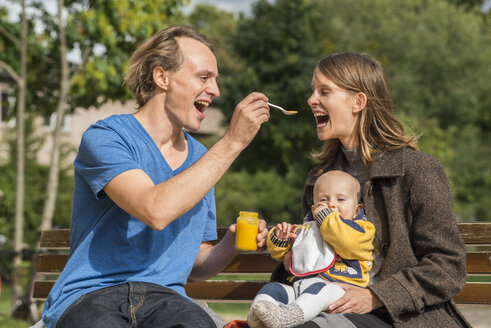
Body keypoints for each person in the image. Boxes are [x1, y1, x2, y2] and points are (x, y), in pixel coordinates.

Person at [39, 25, 270, 328]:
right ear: (162, 77)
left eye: (215, 80)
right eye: (204, 77)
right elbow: (154, 210)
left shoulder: (202, 159)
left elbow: (197, 265)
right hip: (92, 295)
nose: (215, 91)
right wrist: (232, 143)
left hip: (166, 301)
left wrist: (232, 241)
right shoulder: (107, 137)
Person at [269, 52, 471, 328]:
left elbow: (448, 266)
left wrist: (376, 296)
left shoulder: (417, 170)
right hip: (328, 307)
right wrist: (285, 242)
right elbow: (316, 257)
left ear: (358, 102)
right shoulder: (318, 179)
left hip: (401, 318)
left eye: (324, 91)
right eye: (312, 91)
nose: (311, 100)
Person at [247, 170, 375, 328]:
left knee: (321, 290)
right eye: (323, 200)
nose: (332, 204)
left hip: (338, 291)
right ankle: (257, 317)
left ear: (357, 209)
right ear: (314, 207)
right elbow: (283, 254)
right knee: (273, 288)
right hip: (299, 289)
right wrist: (280, 238)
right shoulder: (309, 229)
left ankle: (288, 317)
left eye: (340, 199)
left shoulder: (362, 230)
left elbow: (346, 241)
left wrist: (326, 218)